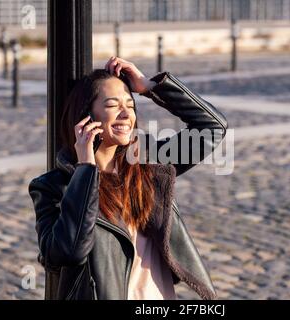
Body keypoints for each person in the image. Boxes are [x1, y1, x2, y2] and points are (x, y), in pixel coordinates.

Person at [28, 56, 228, 300]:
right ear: (86, 117)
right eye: (113, 105)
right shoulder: (52, 188)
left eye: (130, 106)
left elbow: (212, 127)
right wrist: (85, 170)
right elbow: (69, 252)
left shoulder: (146, 161)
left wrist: (149, 86)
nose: (125, 114)